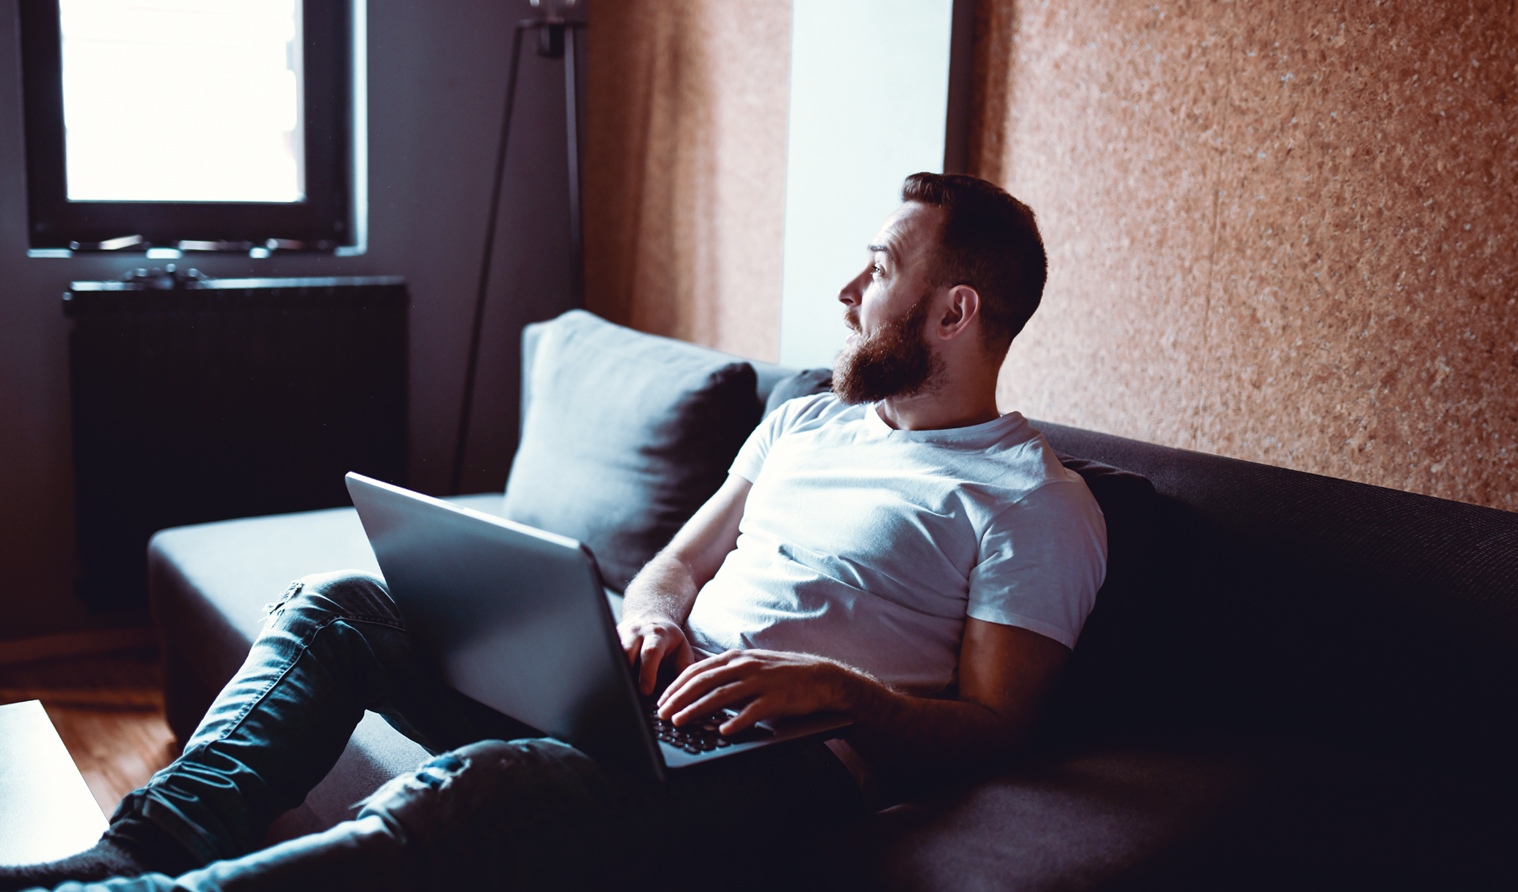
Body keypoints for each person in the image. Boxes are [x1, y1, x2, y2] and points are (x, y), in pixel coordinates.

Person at [1, 173, 1106, 891]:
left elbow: (1005, 725)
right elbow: (678, 560)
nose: (847, 288)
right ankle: (128, 854)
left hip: (792, 762)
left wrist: (848, 693)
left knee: (486, 788)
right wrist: (649, 620)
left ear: (957, 310)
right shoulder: (810, 418)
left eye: (881, 269)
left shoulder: (1028, 501)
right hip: (645, 699)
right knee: (336, 608)